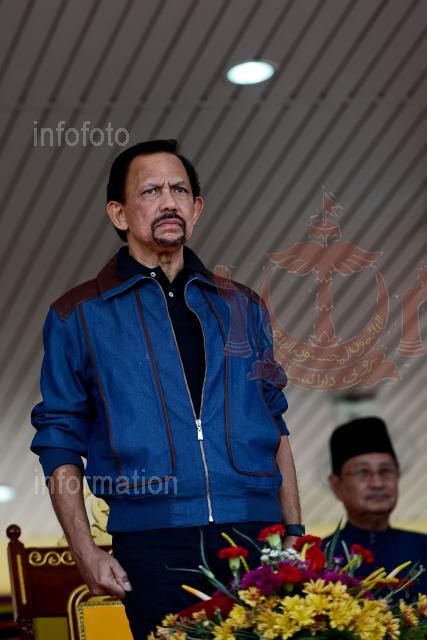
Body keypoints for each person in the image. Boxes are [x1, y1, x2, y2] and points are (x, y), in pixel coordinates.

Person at [30, 139, 303, 639]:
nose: (168, 202)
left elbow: (273, 420)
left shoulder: (242, 307)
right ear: (119, 213)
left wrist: (294, 532)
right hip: (152, 542)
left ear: (196, 208)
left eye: (179, 190)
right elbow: (59, 439)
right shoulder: (78, 315)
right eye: (151, 191)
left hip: (255, 533)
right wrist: (84, 550)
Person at [325, 416, 427, 593]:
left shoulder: (423, 548)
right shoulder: (317, 557)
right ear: (336, 485)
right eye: (363, 472)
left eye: (386, 471)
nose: (377, 483)